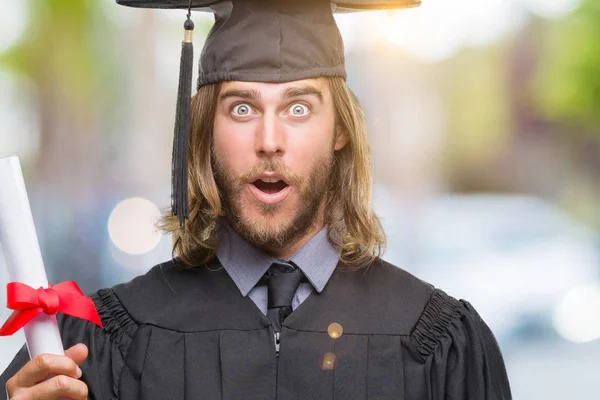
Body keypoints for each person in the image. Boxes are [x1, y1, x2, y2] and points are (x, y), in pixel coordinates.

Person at [1, 0, 512, 399]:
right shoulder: (101, 347)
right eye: (242, 108)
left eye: (298, 108)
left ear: (340, 131)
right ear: (204, 132)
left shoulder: (441, 344)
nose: (270, 139)